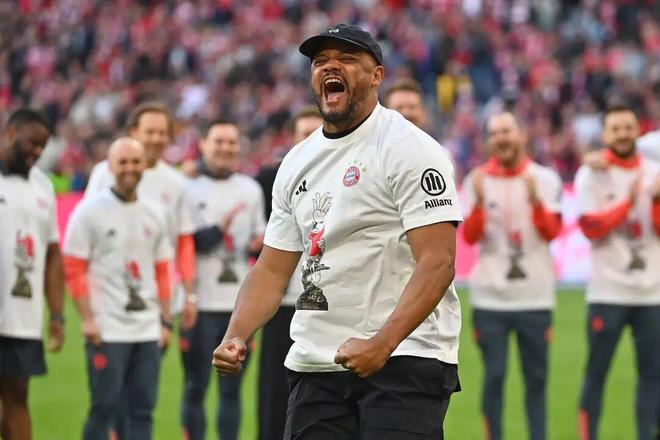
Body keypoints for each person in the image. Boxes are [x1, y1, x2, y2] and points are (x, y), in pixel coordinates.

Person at [212, 24, 463, 439]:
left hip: (404, 357)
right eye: (320, 61)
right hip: (316, 364)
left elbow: (439, 261)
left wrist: (382, 343)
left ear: (377, 75)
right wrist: (236, 334)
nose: (330, 67)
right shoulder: (297, 162)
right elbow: (271, 270)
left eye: (346, 59)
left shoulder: (409, 148)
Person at [63, 137, 173, 440]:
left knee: (143, 411)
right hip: (107, 328)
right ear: (110, 166)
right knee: (104, 408)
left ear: (144, 166)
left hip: (146, 330)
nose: (129, 168)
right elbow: (73, 268)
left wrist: (165, 321)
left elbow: (163, 269)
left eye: (135, 162)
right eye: (122, 162)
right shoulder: (90, 211)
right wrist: (87, 319)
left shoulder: (155, 211)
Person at [462, 112, 562, 440]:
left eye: (506, 131)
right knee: (494, 377)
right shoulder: (476, 180)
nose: (501, 138)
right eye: (494, 133)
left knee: (536, 380)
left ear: (522, 135)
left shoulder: (545, 179)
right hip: (490, 299)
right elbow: (470, 237)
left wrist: (535, 200)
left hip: (535, 298)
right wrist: (478, 202)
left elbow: (552, 232)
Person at [574, 104, 660, 440]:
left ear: (638, 130)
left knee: (653, 378)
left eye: (628, 127)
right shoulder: (592, 173)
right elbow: (591, 227)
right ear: (605, 135)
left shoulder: (654, 172)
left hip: (652, 294)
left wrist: (656, 201)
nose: (623, 134)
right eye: (616, 128)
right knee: (596, 374)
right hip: (607, 293)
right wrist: (628, 202)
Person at [180, 120, 266, 440]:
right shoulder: (186, 188)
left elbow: (259, 239)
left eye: (231, 142)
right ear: (203, 144)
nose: (225, 148)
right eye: (218, 141)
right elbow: (185, 242)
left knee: (232, 390)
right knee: (195, 386)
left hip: (239, 308)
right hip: (199, 305)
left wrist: (258, 244)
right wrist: (219, 229)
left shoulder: (250, 189)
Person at [85, 102, 197, 330]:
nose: (156, 138)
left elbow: (184, 241)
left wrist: (189, 294)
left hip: (157, 298)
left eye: (162, 133)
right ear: (133, 132)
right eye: (150, 131)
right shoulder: (104, 173)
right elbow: (87, 230)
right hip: (109, 298)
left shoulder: (176, 183)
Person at [255, 107, 323, 440]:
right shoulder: (273, 179)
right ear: (293, 140)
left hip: (327, 306)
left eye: (316, 132)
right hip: (282, 303)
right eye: (304, 134)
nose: (310, 140)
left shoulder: (348, 178)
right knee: (273, 393)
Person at [0, 108, 65, 440]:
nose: (37, 152)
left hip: (21, 315)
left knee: (17, 400)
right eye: (32, 142)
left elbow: (52, 254)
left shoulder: (42, 186)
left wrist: (57, 314)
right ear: (10, 132)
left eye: (43, 146)